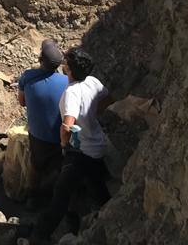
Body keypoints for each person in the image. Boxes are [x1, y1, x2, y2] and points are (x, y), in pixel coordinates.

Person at [32, 47, 113, 243]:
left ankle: (39, 237)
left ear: (69, 69)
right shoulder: (93, 82)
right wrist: (91, 116)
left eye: (66, 64)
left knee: (60, 196)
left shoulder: (72, 93)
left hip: (80, 151)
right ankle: (109, 219)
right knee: (97, 185)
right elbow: (108, 100)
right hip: (99, 145)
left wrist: (64, 144)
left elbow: (67, 126)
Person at [16, 39, 68, 198]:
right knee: (58, 167)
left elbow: (22, 102)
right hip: (61, 135)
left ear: (40, 59)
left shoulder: (27, 76)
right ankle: (55, 199)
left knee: (36, 165)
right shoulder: (67, 82)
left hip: (38, 134)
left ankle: (32, 198)